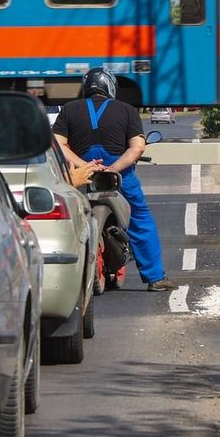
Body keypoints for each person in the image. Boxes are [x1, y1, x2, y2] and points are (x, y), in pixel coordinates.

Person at [53, 69, 175, 292]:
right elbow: (137, 148)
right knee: (140, 219)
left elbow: (56, 143)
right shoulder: (127, 111)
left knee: (66, 216)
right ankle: (155, 277)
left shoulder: (69, 110)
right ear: (111, 88)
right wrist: (112, 169)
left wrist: (83, 164)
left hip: (83, 175)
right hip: (119, 178)